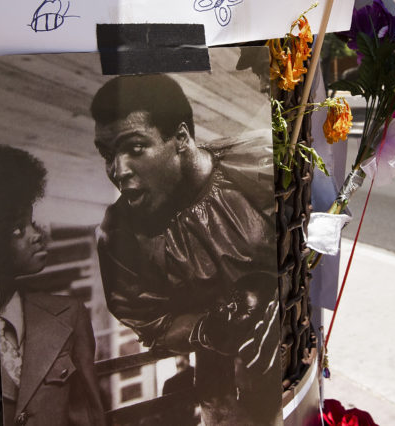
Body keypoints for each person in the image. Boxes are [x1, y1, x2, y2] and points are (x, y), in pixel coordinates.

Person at [91, 73, 280, 424]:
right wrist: (211, 327)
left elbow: (319, 235)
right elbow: (153, 324)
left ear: (180, 137)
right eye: (107, 154)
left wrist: (281, 304)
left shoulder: (262, 163)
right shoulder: (120, 234)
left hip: (296, 358)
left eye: (134, 148)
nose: (118, 171)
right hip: (226, 401)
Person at [0, 143, 105, 425]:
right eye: (18, 229)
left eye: (31, 222)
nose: (37, 235)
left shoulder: (69, 314)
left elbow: (90, 413)